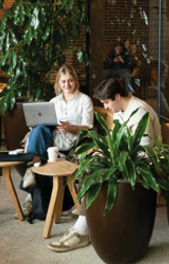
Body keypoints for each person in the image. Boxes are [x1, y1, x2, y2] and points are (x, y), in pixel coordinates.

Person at [47, 77, 160, 253]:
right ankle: (88, 214)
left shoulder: (139, 112)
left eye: (106, 102)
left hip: (140, 166)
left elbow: (143, 152)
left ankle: (81, 230)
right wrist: (102, 149)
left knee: (97, 172)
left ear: (117, 96)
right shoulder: (121, 109)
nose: (106, 107)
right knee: (88, 160)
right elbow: (117, 140)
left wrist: (109, 155)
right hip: (124, 160)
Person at [20, 66, 94, 198]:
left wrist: (71, 127)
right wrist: (36, 125)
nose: (67, 84)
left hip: (72, 140)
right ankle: (31, 178)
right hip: (52, 140)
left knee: (38, 145)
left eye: (70, 80)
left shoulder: (84, 100)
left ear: (75, 81)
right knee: (39, 129)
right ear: (59, 83)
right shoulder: (54, 102)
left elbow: (88, 127)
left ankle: (30, 180)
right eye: (63, 81)